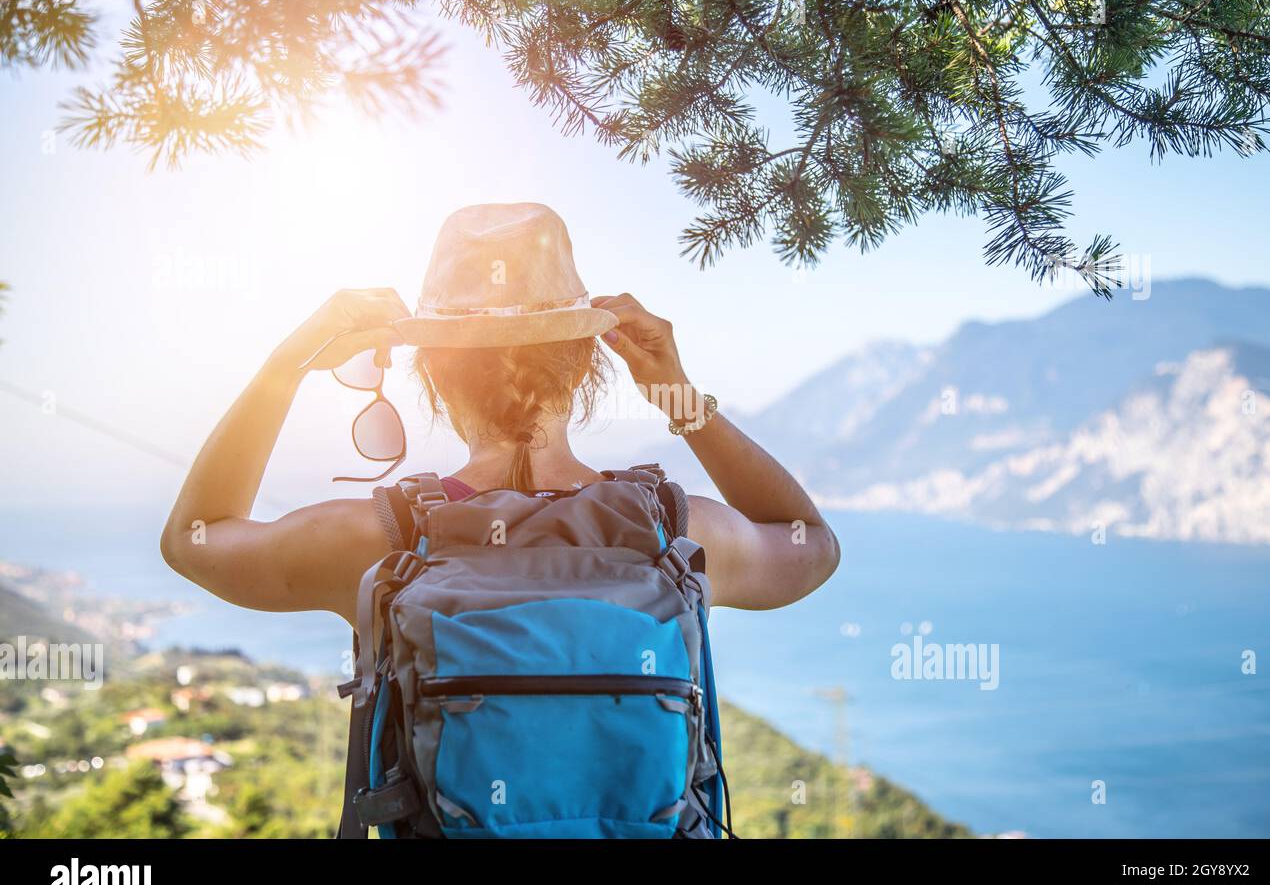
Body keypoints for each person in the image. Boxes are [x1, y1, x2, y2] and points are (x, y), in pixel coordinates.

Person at [160, 203, 840, 629]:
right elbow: (810, 543)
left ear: (432, 376)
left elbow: (194, 541)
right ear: (584, 365)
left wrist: (285, 368)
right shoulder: (677, 535)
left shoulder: (376, 544)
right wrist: (677, 396)